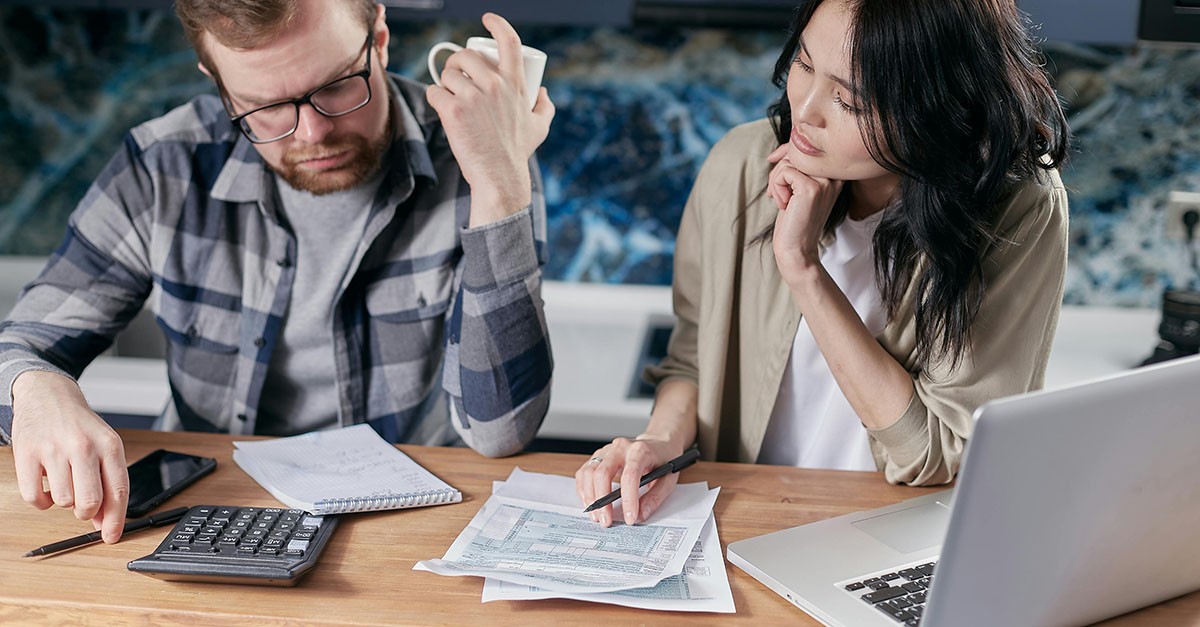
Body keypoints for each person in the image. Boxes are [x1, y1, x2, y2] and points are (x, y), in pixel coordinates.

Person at [0, 1, 555, 542]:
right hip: (206, 516)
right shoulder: (162, 165)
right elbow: (23, 344)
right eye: (263, 107)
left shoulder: (483, 150)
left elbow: (500, 431)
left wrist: (499, 185)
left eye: (337, 86)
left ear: (379, 39)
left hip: (403, 527)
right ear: (218, 82)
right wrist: (37, 390)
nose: (312, 133)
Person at [576, 0, 1070, 527]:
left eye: (848, 100)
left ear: (933, 106)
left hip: (898, 535)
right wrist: (659, 442)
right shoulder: (742, 164)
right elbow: (696, 356)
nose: (806, 111)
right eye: (804, 64)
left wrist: (802, 267)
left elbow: (937, 453)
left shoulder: (1016, 208)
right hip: (746, 520)